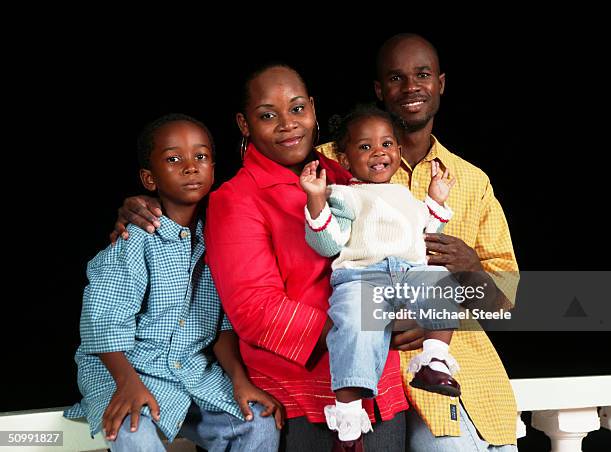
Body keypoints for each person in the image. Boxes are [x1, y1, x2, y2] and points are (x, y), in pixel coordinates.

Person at [112, 65, 410, 451]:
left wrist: (420, 315)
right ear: (244, 123)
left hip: (379, 384)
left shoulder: (350, 172)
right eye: (268, 115)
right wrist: (359, 329)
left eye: (297, 109)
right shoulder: (236, 199)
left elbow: (402, 253)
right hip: (307, 395)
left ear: (314, 109)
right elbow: (255, 309)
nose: (288, 124)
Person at [318, 34, 519, 451]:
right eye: (396, 77)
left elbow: (506, 301)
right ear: (379, 90)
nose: (411, 87)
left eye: (422, 75)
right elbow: (269, 218)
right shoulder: (330, 162)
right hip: (365, 369)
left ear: (440, 83)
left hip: (459, 367)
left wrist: (469, 268)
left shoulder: (470, 181)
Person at [65, 114, 283, 452]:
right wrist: (127, 383)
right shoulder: (133, 240)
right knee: (132, 429)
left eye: (200, 156)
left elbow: (225, 325)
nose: (190, 167)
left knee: (257, 422)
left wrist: (240, 382)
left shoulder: (220, 240)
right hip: (124, 370)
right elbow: (102, 321)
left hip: (193, 372)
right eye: (173, 159)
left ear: (213, 166)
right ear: (149, 179)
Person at [300, 104, 465, 444]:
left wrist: (435, 200)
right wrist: (316, 200)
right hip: (362, 276)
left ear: (399, 151)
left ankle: (434, 360)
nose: (379, 152)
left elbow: (425, 234)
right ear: (345, 160)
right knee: (354, 327)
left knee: (444, 291)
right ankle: (348, 412)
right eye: (365, 146)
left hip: (410, 273)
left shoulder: (407, 196)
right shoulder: (345, 195)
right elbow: (327, 242)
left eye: (387, 144)